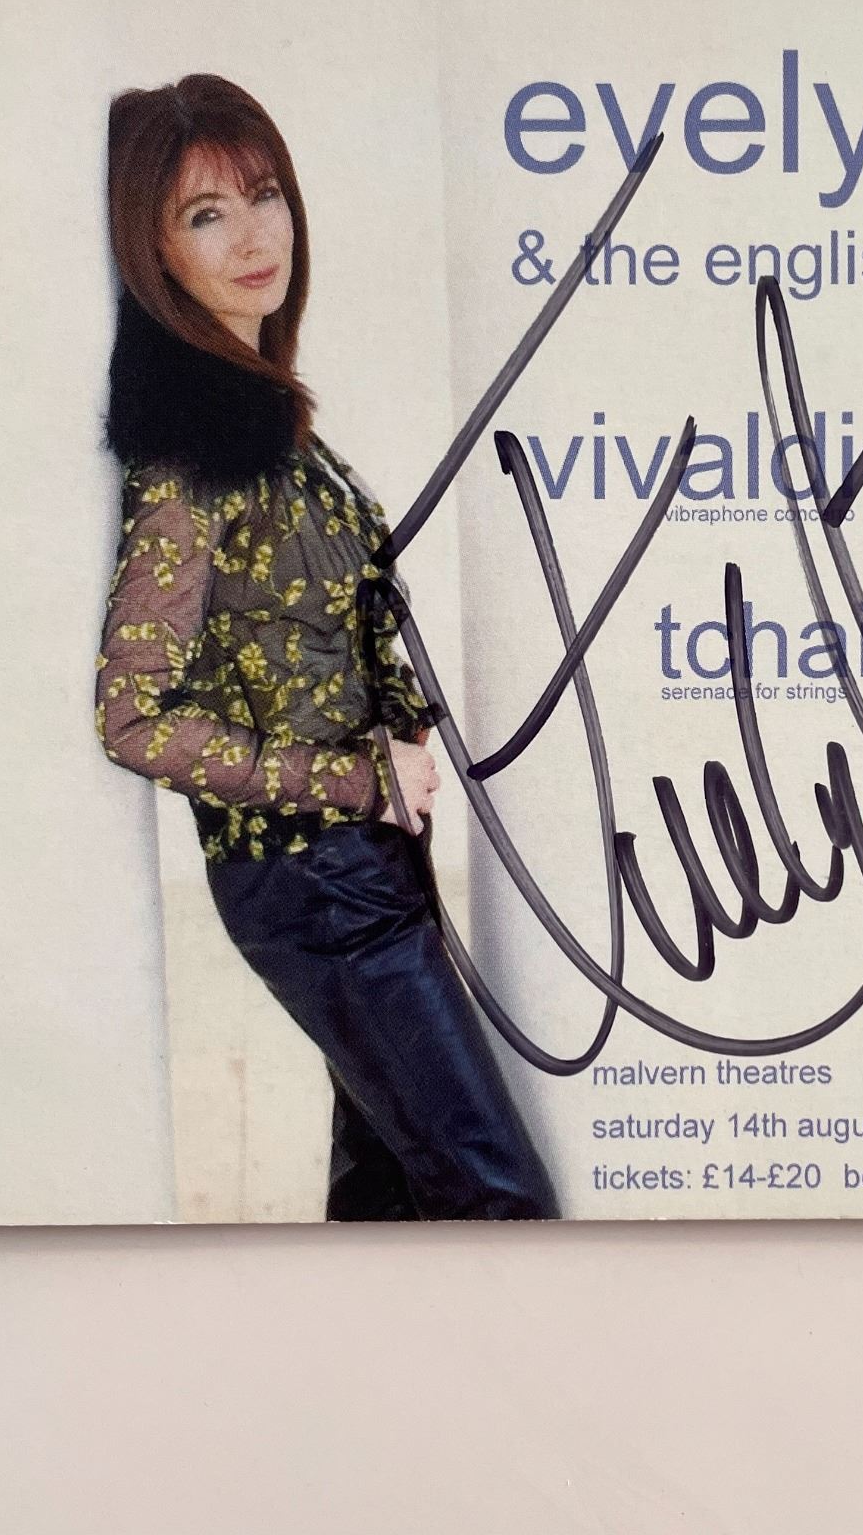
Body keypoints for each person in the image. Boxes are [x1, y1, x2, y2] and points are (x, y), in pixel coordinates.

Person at [94, 73, 558, 1221]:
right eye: (206, 215)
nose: (255, 238)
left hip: (359, 866)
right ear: (156, 253)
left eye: (265, 196)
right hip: (313, 879)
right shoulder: (190, 454)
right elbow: (133, 719)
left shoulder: (267, 419)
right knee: (499, 1203)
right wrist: (356, 777)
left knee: (391, 1200)